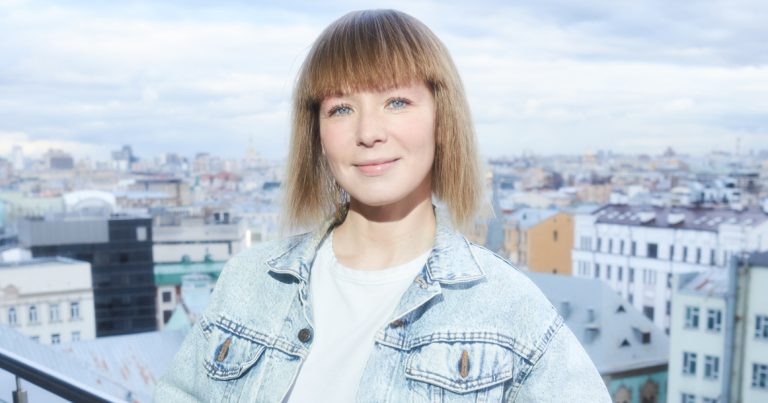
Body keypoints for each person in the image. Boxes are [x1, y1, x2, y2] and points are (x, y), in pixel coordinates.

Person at [155, 9, 610, 402]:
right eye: (341, 108)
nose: (368, 132)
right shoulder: (250, 282)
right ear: (318, 134)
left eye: (396, 101)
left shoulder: (507, 308)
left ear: (442, 121)